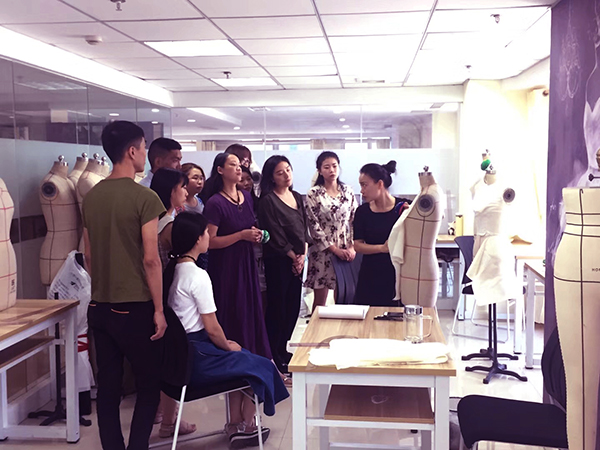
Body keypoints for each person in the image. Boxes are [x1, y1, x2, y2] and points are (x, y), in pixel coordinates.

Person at [164, 212, 289, 448]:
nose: (208, 236)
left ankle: (236, 424)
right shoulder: (197, 276)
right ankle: (247, 425)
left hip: (181, 355)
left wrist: (228, 347)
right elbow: (212, 328)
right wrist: (227, 346)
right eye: (206, 232)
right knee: (260, 364)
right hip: (197, 357)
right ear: (197, 239)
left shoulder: (174, 270)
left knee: (243, 358)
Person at [82, 121, 166, 450]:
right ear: (132, 151)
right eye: (144, 147)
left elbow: (89, 255)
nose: (145, 154)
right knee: (148, 385)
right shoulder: (144, 197)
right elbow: (151, 259)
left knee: (108, 387)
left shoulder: (92, 197)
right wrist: (158, 309)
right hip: (135, 307)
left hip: (99, 306)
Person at [202, 153, 271, 359]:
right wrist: (241, 235)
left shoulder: (246, 197)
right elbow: (210, 242)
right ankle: (234, 361)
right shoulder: (215, 203)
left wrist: (255, 234)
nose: (239, 168)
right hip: (225, 265)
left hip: (247, 262)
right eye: (233, 165)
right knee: (233, 310)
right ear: (220, 170)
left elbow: (248, 226)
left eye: (239, 165)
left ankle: (256, 360)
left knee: (251, 310)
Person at [258, 156, 308, 375]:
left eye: (288, 169)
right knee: (278, 308)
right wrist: (293, 256)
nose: (286, 175)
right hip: (279, 259)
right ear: (271, 177)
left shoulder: (296, 196)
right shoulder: (268, 201)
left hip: (298, 259)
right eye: (280, 172)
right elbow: (274, 234)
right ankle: (274, 354)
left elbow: (304, 228)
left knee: (293, 307)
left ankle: (283, 348)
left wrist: (302, 255)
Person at [305, 151, 357, 312]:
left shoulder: (348, 191)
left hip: (346, 248)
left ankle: (343, 327)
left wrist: (352, 247)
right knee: (320, 302)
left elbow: (355, 219)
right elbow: (313, 225)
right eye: (326, 167)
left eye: (334, 166)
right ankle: (316, 328)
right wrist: (334, 249)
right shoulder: (314, 193)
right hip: (323, 251)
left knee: (344, 296)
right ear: (320, 171)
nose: (331, 170)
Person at [353, 161, 409, 307]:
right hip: (370, 275)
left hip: (399, 274)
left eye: (364, 185)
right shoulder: (362, 212)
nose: (362, 191)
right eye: (360, 186)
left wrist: (413, 215)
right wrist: (382, 248)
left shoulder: (403, 208)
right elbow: (357, 245)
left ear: (379, 184)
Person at [238, 165, 266, 311]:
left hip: (262, 255)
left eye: (249, 179)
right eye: (241, 180)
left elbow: (269, 231)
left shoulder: (260, 203)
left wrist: (262, 235)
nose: (246, 183)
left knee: (263, 293)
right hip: (243, 255)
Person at [150, 168, 189, 269]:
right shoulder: (169, 225)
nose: (186, 193)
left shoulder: (151, 217)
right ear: (172, 190)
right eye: (184, 188)